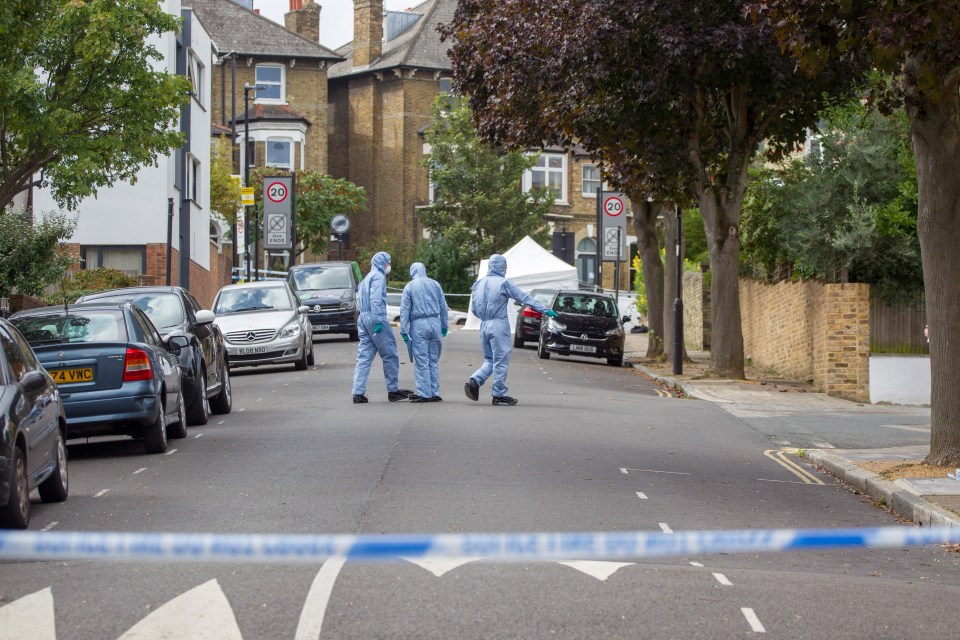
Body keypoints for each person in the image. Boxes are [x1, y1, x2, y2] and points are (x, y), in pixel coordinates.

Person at [465, 253, 558, 406]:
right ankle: (498, 394)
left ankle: (475, 380)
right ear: (503, 267)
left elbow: (474, 309)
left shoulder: (478, 284)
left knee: (489, 359)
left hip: (484, 324)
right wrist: (545, 309)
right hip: (498, 325)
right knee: (501, 360)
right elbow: (525, 298)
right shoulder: (504, 283)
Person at [351, 251, 413, 403]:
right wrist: (378, 320)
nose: (388, 265)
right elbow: (376, 299)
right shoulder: (378, 277)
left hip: (364, 318)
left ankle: (358, 392)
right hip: (375, 317)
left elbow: (360, 299)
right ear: (381, 263)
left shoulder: (366, 278)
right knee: (390, 354)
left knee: (364, 356)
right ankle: (393, 390)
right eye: (387, 262)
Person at [400, 262, 448, 403]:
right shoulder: (435, 284)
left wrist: (404, 329)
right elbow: (443, 306)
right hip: (435, 323)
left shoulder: (410, 286)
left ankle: (424, 393)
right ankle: (434, 392)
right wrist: (444, 326)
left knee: (421, 360)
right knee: (433, 360)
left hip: (419, 324)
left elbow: (405, 310)